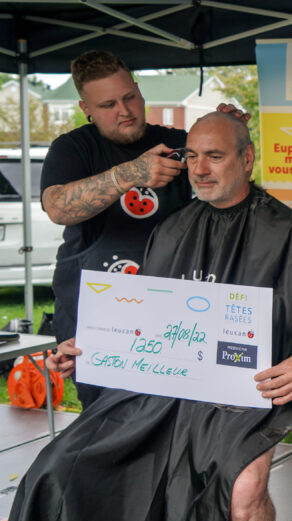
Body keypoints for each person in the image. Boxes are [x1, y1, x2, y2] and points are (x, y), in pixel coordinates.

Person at [8, 112, 292, 521]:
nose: (200, 169)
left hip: (244, 394)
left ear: (246, 159)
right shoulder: (172, 229)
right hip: (164, 389)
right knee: (59, 469)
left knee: (243, 491)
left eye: (214, 156)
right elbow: (148, 317)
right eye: (192, 156)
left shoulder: (288, 232)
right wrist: (91, 347)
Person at [41, 49, 249, 408]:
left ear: (138, 89)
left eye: (130, 97)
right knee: (109, 420)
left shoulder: (178, 142)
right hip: (96, 316)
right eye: (108, 105)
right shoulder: (74, 148)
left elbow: (232, 191)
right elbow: (58, 207)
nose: (124, 110)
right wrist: (129, 174)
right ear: (85, 108)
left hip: (173, 311)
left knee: (175, 417)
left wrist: (230, 135)